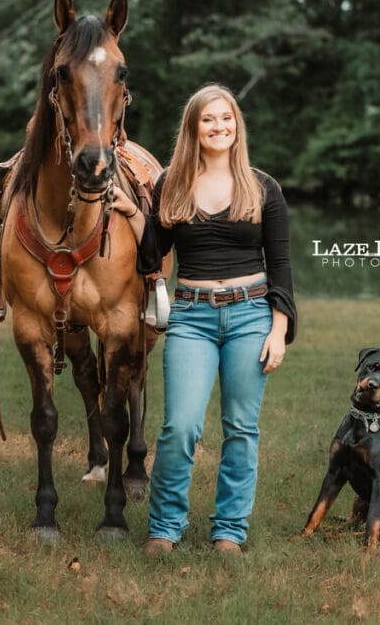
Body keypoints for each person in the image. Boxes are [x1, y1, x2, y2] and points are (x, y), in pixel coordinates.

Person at [111, 84, 296, 555]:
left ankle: (229, 531)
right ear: (193, 127)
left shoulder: (263, 187)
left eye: (226, 118)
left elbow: (281, 267)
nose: (219, 127)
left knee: (241, 428)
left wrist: (278, 330)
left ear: (237, 125)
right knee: (180, 427)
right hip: (192, 316)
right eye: (209, 119)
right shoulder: (171, 183)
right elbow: (153, 254)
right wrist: (134, 213)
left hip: (251, 315)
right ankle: (164, 528)